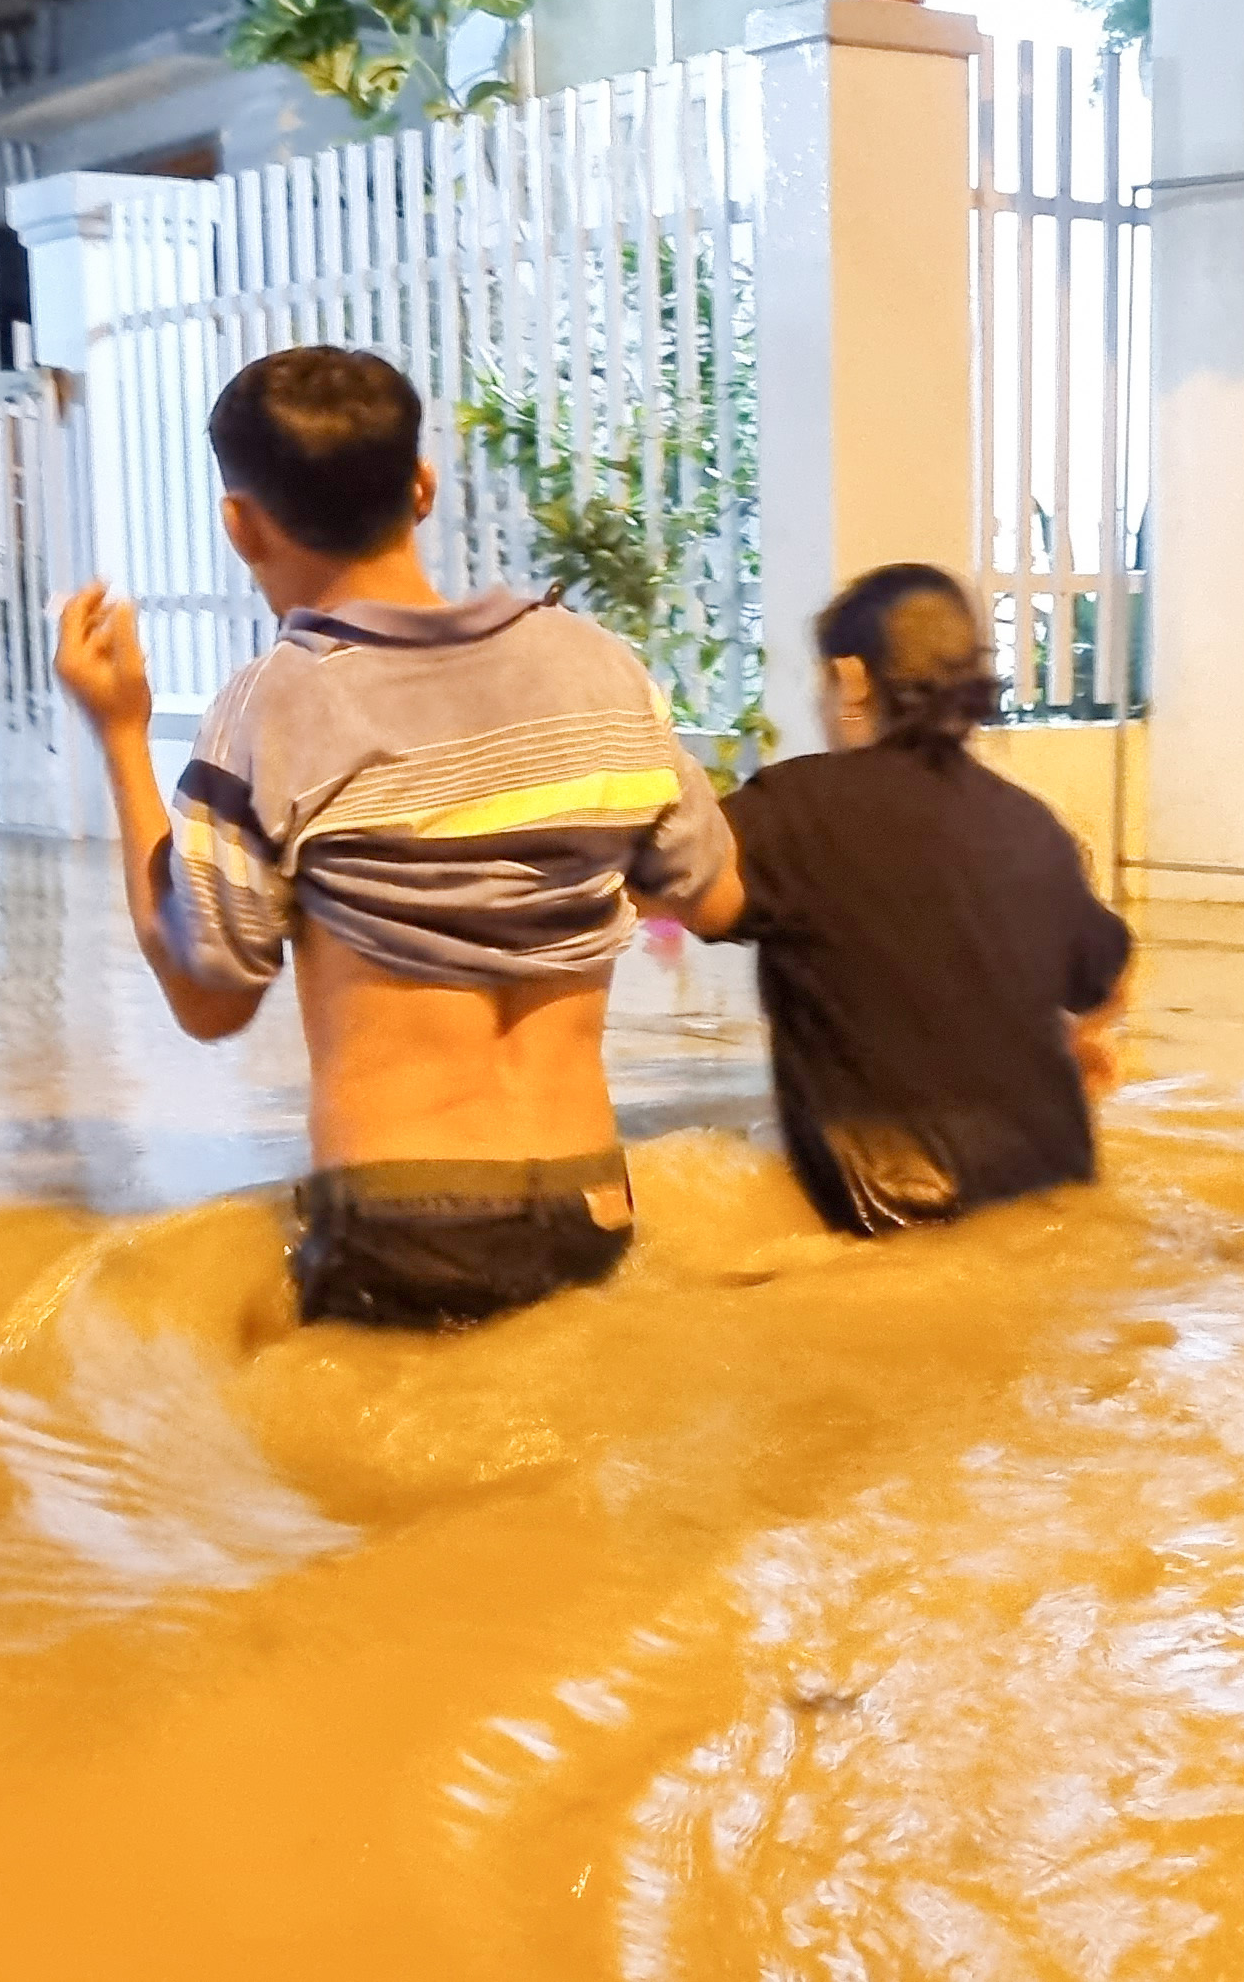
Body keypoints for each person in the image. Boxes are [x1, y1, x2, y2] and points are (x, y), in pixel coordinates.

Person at [51, 346, 742, 1330]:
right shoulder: (602, 671)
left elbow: (209, 996)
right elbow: (711, 899)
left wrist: (120, 734)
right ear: (423, 485)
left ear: (239, 523)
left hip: (402, 1213)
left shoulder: (275, 704)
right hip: (593, 1193)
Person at [701, 563, 1133, 1235]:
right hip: (1056, 1191)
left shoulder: (792, 813)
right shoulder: (1034, 829)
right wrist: (1084, 1040)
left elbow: (682, 888)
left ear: (850, 677)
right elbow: (1111, 978)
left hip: (888, 1212)